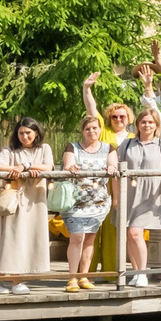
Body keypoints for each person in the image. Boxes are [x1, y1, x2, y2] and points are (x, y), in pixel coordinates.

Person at [0, 118, 55, 293]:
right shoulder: (9, 150)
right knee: (13, 239)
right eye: (21, 133)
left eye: (28, 132)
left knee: (30, 238)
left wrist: (26, 166)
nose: (24, 136)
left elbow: (48, 166)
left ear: (36, 133)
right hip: (15, 200)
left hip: (36, 201)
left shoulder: (44, 148)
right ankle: (7, 281)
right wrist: (15, 170)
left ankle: (12, 281)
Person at [116, 107, 161, 288]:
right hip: (129, 192)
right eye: (143, 122)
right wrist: (116, 198)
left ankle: (142, 272)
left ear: (156, 125)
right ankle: (136, 272)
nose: (146, 125)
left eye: (150, 122)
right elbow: (117, 169)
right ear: (137, 124)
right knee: (129, 234)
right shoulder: (127, 144)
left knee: (135, 232)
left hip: (151, 193)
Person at [62, 114, 117, 291]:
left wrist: (111, 168)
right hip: (75, 201)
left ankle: (84, 276)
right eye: (87, 129)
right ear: (83, 131)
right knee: (77, 237)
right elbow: (68, 164)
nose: (91, 131)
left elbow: (113, 166)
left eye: (94, 128)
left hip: (98, 202)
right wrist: (71, 167)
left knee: (90, 239)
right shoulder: (73, 147)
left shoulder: (109, 148)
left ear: (100, 129)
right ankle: (72, 277)